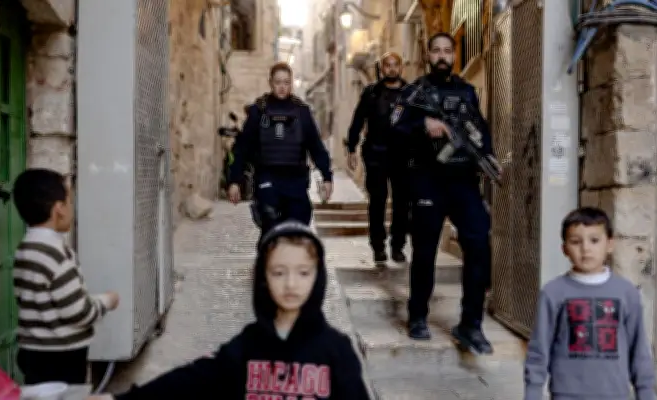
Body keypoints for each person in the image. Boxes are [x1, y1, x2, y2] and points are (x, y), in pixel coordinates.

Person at [89, 221, 372, 399]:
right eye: (278, 272)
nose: (290, 284)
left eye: (303, 272)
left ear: (317, 277)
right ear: (263, 277)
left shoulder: (336, 351)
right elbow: (192, 381)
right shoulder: (249, 346)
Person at [391, 32, 496, 353]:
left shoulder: (466, 91)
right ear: (428, 55)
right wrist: (422, 125)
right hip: (428, 179)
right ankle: (418, 316)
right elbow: (394, 127)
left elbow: (479, 127)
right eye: (436, 50)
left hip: (463, 181)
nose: (441, 56)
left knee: (478, 244)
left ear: (454, 55)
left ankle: (471, 324)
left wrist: (488, 156)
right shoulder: (414, 93)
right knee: (424, 251)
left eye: (447, 51)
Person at [524, 207, 656, 400]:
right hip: (566, 394)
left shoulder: (626, 293)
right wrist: (532, 393)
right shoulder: (553, 293)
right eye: (575, 242)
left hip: (615, 393)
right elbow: (539, 349)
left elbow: (639, 350)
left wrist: (645, 393)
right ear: (564, 249)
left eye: (594, 240)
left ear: (609, 244)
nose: (585, 248)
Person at [11, 169, 120, 384]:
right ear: (59, 209)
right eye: (69, 201)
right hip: (62, 357)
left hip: (32, 352)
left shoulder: (25, 248)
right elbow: (79, 313)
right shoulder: (57, 254)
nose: (72, 208)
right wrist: (107, 301)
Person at [227, 62, 333, 237]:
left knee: (298, 231)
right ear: (270, 83)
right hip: (268, 179)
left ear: (291, 83)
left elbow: (316, 147)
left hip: (296, 181)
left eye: (286, 82)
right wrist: (234, 181)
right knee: (270, 228)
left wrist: (327, 176)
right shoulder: (258, 111)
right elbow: (242, 148)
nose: (282, 87)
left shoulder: (302, 112)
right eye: (278, 82)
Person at [346, 52, 410, 264]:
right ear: (382, 68)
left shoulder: (410, 93)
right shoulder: (371, 93)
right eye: (387, 65)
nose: (391, 69)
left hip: (402, 156)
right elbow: (358, 120)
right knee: (377, 201)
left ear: (400, 67)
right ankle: (378, 246)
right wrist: (351, 148)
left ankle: (398, 246)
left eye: (395, 65)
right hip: (376, 154)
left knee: (402, 202)